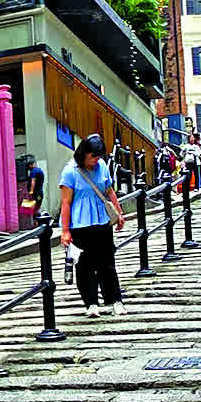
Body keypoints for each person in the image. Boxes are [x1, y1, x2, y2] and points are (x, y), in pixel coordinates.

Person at [58, 131, 127, 318]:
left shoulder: (102, 166)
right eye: (93, 157)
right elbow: (66, 203)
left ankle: (115, 300)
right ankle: (91, 303)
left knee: (107, 263)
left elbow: (109, 191)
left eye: (98, 157)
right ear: (84, 154)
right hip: (80, 225)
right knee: (85, 266)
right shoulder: (70, 172)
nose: (95, 160)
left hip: (101, 221)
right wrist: (65, 231)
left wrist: (119, 214)